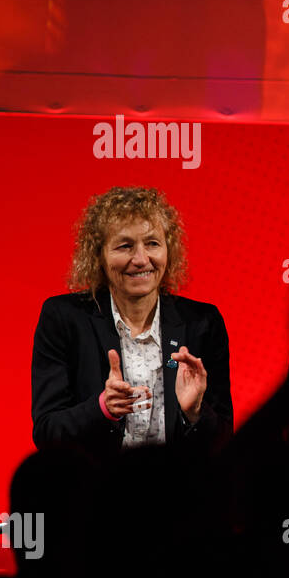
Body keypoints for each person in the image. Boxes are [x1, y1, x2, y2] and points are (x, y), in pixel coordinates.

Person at [31, 186, 232, 453]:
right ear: (99, 256)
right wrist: (102, 409)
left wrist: (195, 412)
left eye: (152, 244)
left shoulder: (203, 323)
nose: (140, 259)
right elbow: (47, 432)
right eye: (125, 246)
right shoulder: (63, 318)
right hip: (94, 490)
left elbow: (224, 440)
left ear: (168, 250)